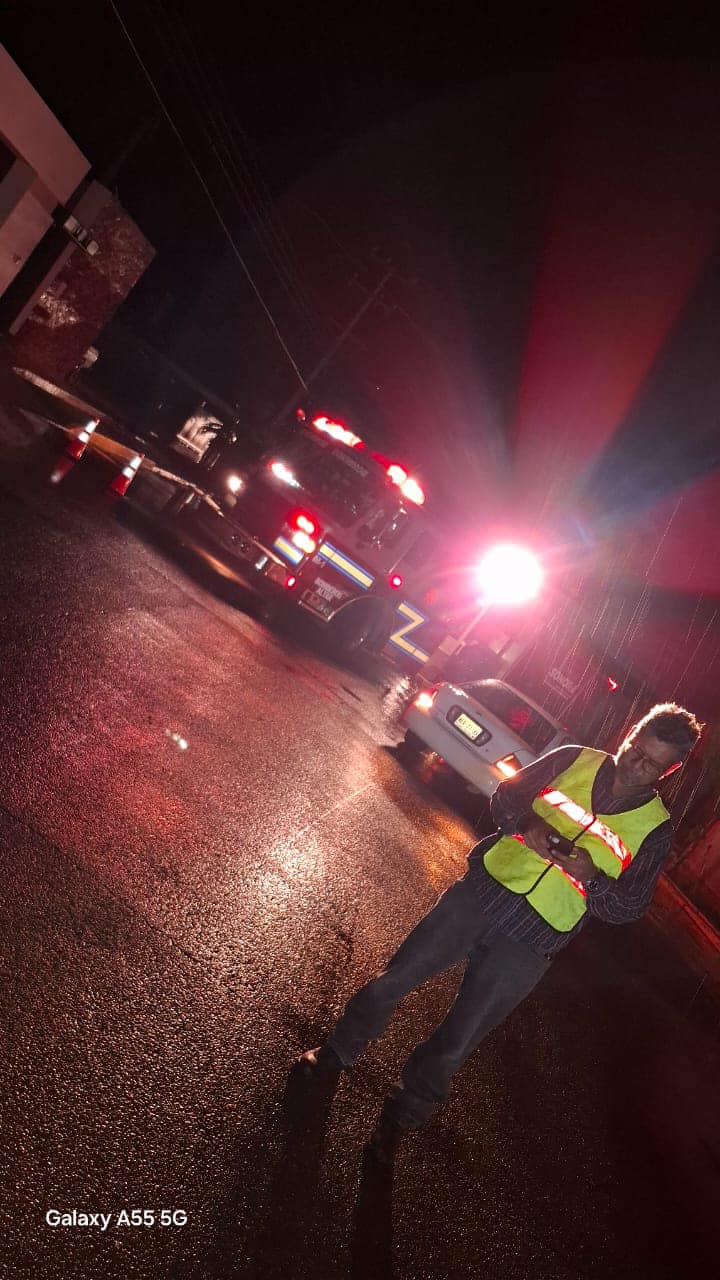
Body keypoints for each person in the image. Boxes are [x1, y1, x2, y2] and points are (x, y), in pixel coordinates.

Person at [295, 702, 702, 1161]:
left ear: (669, 771)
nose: (635, 764)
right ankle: (335, 1053)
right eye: (634, 750)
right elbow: (506, 797)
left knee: (459, 1038)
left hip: (534, 940)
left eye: (651, 763)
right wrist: (528, 825)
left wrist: (593, 875)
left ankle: (401, 1117)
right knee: (396, 978)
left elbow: (629, 906)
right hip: (482, 894)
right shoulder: (572, 759)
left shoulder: (656, 830)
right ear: (630, 734)